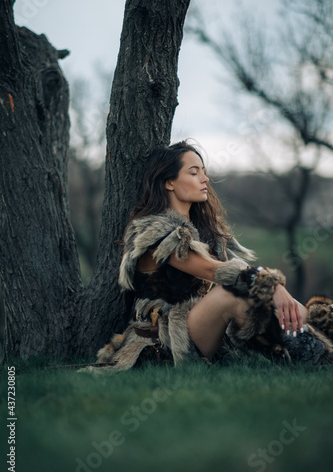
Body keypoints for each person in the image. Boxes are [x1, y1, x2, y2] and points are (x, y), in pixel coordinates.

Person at [96, 141, 333, 371]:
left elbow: (239, 274)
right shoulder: (155, 232)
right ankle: (320, 360)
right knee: (231, 293)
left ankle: (317, 342)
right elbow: (214, 271)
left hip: (201, 329)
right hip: (165, 340)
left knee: (260, 301)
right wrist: (272, 285)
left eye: (204, 171)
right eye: (193, 172)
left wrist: (269, 291)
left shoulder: (201, 231)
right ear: (169, 182)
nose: (205, 178)